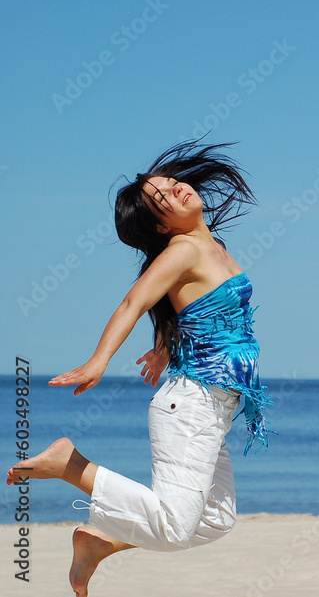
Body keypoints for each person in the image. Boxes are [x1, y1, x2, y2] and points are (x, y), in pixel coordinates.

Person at [5, 141, 274, 597]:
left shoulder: (214, 247)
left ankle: (101, 542)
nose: (175, 191)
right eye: (161, 200)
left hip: (215, 407)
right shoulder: (183, 251)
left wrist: (164, 347)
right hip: (190, 404)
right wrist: (99, 360)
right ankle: (70, 465)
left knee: (215, 521)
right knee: (173, 527)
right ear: (160, 224)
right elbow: (135, 302)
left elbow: (192, 311)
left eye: (171, 184)